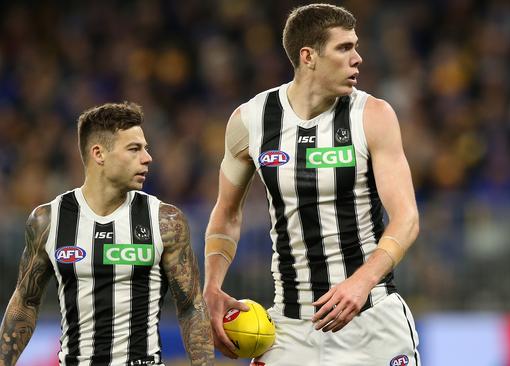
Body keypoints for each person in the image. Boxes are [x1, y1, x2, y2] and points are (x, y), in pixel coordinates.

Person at [202, 3, 420, 365]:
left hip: (371, 320)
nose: (358, 58)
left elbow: (407, 218)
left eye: (356, 46)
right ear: (309, 56)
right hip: (289, 328)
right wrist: (212, 285)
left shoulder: (373, 115)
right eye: (344, 48)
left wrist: (362, 281)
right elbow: (226, 213)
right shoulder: (250, 121)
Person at [0, 102, 216, 366]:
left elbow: (191, 306)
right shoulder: (48, 220)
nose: (147, 157)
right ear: (99, 154)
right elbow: (26, 300)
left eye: (145, 148)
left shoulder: (165, 221)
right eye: (134, 149)